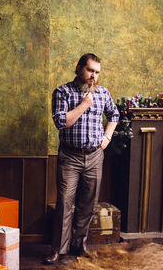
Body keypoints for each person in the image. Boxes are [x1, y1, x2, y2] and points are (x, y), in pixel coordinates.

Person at [45, 53, 119, 264]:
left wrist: (107, 137)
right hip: (70, 156)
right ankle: (58, 249)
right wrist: (84, 105)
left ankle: (79, 245)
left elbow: (114, 115)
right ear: (79, 68)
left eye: (96, 72)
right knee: (65, 203)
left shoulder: (103, 93)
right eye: (90, 71)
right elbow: (61, 122)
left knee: (88, 204)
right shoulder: (63, 92)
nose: (93, 76)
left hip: (95, 156)